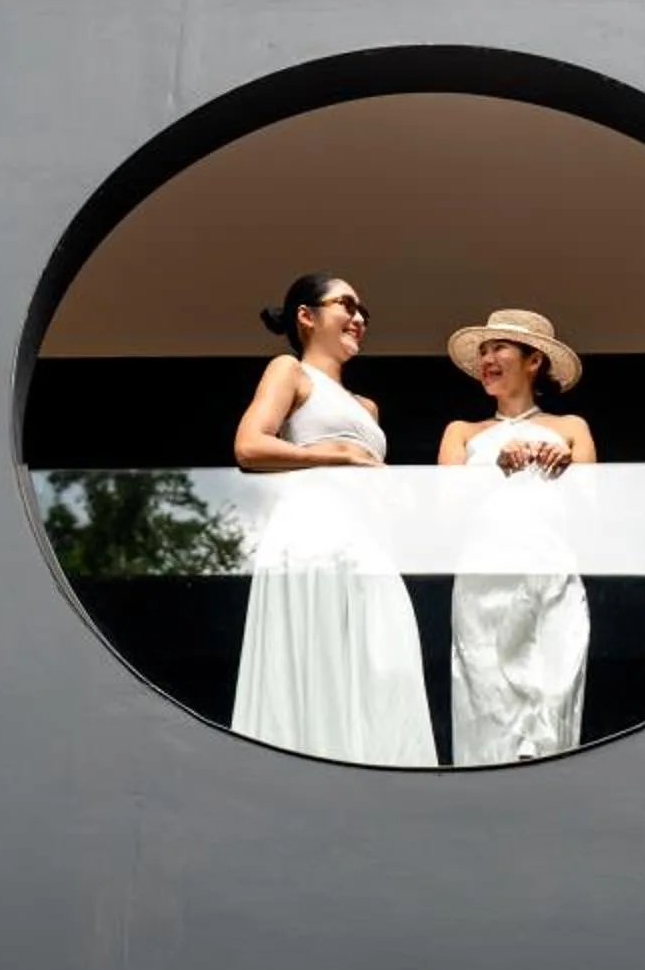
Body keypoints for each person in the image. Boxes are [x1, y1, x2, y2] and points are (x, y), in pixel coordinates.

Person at [228, 274, 437, 766]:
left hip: (365, 544)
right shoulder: (291, 371)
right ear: (307, 316)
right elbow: (249, 445)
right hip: (310, 533)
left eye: (363, 311)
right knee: (317, 658)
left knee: (384, 665)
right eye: (346, 305)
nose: (359, 318)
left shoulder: (367, 407)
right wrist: (336, 457)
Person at [437, 309, 595, 765]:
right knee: (488, 701)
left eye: (499, 348)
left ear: (534, 360)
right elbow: (443, 515)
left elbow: (593, 517)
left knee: (554, 691)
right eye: (483, 351)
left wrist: (566, 468)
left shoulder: (570, 428)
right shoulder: (462, 432)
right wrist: (493, 469)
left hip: (551, 572)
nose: (486, 359)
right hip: (485, 579)